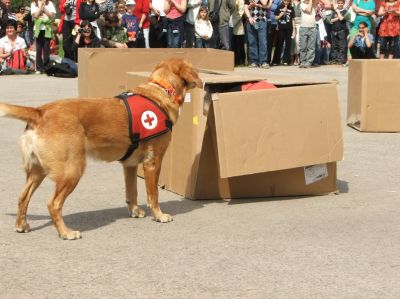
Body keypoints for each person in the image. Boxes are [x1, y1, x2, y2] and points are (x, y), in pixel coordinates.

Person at [245, 0, 272, 68]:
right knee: (252, 42)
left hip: (262, 20)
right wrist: (249, 17)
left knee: (263, 42)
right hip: (251, 21)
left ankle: (263, 62)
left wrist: (255, 4)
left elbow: (265, 3)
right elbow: (246, 7)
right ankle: (254, 61)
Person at [31, 0, 56, 73]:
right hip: (38, 28)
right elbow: (35, 15)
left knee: (46, 49)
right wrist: (40, 6)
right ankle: (39, 68)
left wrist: (44, 8)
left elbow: (52, 16)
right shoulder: (34, 3)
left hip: (47, 28)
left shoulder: (50, 3)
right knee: (38, 49)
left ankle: (46, 67)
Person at [274, 0, 295, 65]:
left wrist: (294, 30)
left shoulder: (291, 8)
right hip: (281, 28)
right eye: (285, 1)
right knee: (279, 44)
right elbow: (276, 18)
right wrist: (282, 13)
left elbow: (293, 19)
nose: (286, 2)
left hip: (289, 28)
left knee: (288, 44)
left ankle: (286, 60)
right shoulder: (279, 7)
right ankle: (276, 60)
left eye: (288, 1)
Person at [298, 0, 317, 68]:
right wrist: (311, 2)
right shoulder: (302, 4)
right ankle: (303, 61)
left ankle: (309, 62)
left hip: (312, 28)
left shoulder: (314, 4)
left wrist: (312, 2)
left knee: (311, 47)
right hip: (304, 27)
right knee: (303, 46)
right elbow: (309, 11)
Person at [330, 0, 348, 64]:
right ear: (337, 3)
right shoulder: (334, 12)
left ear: (343, 4)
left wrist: (337, 12)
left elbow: (341, 18)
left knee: (342, 46)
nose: (340, 4)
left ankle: (341, 59)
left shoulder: (345, 11)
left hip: (341, 31)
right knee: (335, 46)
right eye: (339, 3)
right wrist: (337, 17)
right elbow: (331, 20)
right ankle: (335, 59)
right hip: (334, 30)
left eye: (341, 3)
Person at [231, 0, 245, 65]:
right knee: (233, 45)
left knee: (239, 45)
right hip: (230, 25)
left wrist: (232, 24)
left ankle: (241, 61)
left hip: (238, 27)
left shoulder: (241, 1)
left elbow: (240, 13)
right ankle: (234, 61)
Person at [267, 0, 281, 65]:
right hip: (266, 22)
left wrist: (278, 23)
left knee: (273, 43)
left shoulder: (278, 1)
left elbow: (279, 11)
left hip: (274, 23)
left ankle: (273, 60)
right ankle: (266, 60)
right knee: (267, 43)